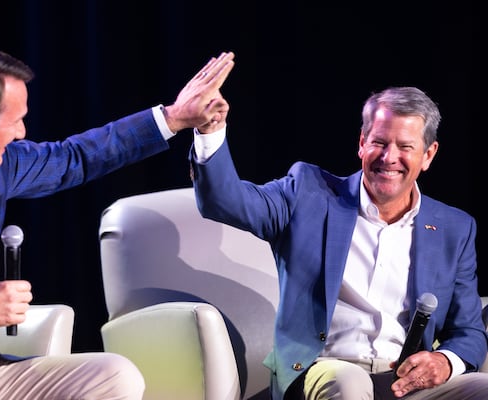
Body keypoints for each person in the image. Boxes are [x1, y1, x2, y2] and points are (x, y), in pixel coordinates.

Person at [0, 43, 234, 399]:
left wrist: (175, 116)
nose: (21, 133)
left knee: (115, 374)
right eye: (15, 121)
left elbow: (75, 158)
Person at [189, 86, 488, 399]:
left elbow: (468, 332)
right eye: (380, 142)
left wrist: (444, 360)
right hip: (325, 369)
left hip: (404, 381)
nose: (390, 157)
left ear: (428, 155)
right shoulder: (308, 194)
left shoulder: (454, 227)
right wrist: (210, 130)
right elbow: (225, 202)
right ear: (362, 143)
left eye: (405, 147)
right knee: (349, 383)